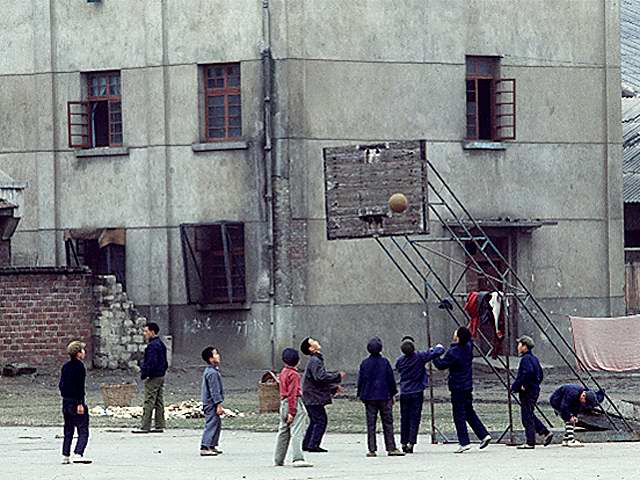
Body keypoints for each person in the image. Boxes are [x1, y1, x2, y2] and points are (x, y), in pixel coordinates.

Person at [433, 326, 492, 453]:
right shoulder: (468, 347)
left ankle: (464, 442)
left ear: (458, 337)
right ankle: (483, 434)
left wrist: (435, 353)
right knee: (469, 411)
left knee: (458, 415)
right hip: (467, 385)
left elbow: (441, 365)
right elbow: (469, 339)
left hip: (457, 387)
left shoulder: (454, 352)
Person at [395, 335, 445, 453]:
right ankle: (411, 442)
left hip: (404, 392)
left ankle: (403, 442)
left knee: (404, 418)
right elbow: (439, 351)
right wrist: (435, 348)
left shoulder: (400, 361)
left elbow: (397, 368)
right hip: (417, 391)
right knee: (415, 418)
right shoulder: (419, 357)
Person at [357, 337, 405, 457]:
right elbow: (390, 379)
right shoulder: (385, 362)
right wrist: (393, 393)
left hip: (369, 397)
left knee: (371, 424)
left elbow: (361, 380)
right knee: (388, 422)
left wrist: (361, 394)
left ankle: (372, 449)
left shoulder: (364, 363)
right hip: (384, 396)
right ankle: (391, 447)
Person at [300, 337, 346, 453]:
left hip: (310, 396)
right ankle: (313, 444)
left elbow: (318, 379)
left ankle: (307, 444)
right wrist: (337, 376)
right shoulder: (315, 361)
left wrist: (333, 387)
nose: (316, 341)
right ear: (311, 348)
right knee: (321, 420)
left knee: (315, 420)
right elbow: (320, 377)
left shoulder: (315, 360)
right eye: (312, 341)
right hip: (313, 397)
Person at [510, 335, 553, 449]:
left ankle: (530, 442)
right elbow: (540, 375)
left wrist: (520, 386)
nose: (518, 346)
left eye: (520, 344)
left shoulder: (526, 359)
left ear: (525, 346)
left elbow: (526, 373)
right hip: (534, 390)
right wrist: (534, 384)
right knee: (529, 414)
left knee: (526, 417)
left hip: (527, 391)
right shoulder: (534, 359)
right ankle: (545, 432)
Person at [274, 348, 313, 468]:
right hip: (294, 403)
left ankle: (278, 459)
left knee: (283, 431)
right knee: (296, 431)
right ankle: (298, 458)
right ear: (298, 361)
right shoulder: (294, 375)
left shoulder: (283, 372)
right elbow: (292, 393)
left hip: (283, 403)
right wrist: (292, 411)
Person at [59, 340, 92, 464]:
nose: (84, 352)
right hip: (76, 402)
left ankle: (65, 454)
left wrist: (65, 397)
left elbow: (61, 385)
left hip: (66, 402)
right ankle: (78, 453)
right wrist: (80, 403)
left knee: (68, 429)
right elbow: (79, 387)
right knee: (83, 429)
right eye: (82, 350)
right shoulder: (80, 367)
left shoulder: (65, 367)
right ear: (78, 353)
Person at [132, 322, 168, 434]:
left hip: (153, 376)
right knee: (159, 401)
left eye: (146, 331)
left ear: (152, 332)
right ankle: (159, 425)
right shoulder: (161, 344)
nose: (144, 333)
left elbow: (151, 363)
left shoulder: (152, 346)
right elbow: (165, 361)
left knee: (149, 401)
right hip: (161, 375)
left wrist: (144, 373)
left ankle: (145, 426)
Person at [200, 346, 224, 456]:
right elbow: (214, 390)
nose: (218, 356)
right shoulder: (212, 373)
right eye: (215, 354)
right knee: (211, 424)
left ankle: (212, 445)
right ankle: (205, 446)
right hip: (211, 403)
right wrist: (218, 404)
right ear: (210, 359)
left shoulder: (212, 370)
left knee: (216, 423)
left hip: (211, 402)